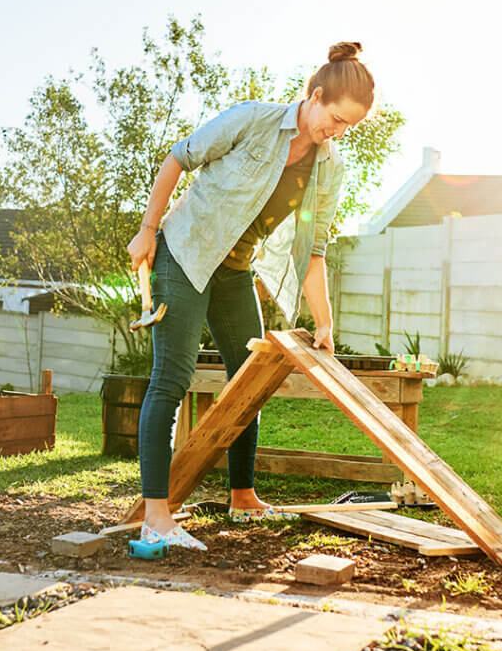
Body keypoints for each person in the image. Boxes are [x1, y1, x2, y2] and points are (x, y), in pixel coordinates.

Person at [126, 41, 375, 550]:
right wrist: (148, 229)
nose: (337, 131)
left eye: (349, 125)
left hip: (235, 272)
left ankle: (242, 495)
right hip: (185, 256)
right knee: (171, 379)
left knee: (250, 379)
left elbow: (313, 250)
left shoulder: (330, 170)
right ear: (316, 94)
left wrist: (324, 323)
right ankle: (156, 516)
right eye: (335, 117)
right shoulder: (251, 120)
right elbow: (179, 159)